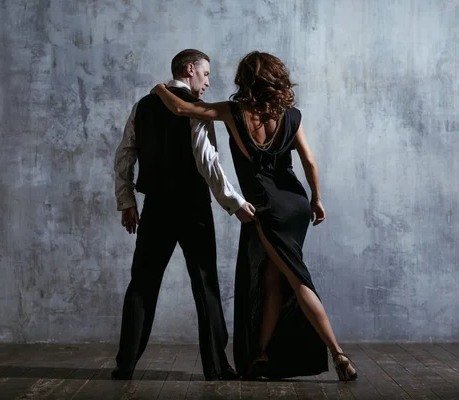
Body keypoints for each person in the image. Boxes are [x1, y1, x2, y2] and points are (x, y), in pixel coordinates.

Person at [150, 51, 358, 381]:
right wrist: (317, 200)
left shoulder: (233, 112)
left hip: (267, 208)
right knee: (272, 279)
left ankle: (339, 354)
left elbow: (181, 108)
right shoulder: (292, 115)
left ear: (245, 81)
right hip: (296, 204)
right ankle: (261, 354)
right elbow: (310, 163)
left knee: (296, 278)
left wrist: (160, 88)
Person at [112, 49, 256, 381]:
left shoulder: (143, 105)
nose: (207, 82)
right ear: (190, 69)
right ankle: (216, 367)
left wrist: (127, 202)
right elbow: (207, 161)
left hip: (156, 207)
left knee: (142, 284)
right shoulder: (197, 109)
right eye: (205, 74)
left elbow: (124, 155)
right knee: (205, 285)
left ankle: (125, 365)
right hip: (193, 206)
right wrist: (235, 203)